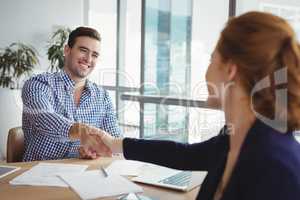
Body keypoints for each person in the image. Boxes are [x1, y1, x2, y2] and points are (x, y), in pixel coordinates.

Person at [82, 12, 300, 200]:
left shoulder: (274, 166)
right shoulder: (235, 138)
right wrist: (113, 143)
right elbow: (184, 155)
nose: (206, 72)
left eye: (211, 60)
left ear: (230, 69)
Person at [22, 26, 121, 161]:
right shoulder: (37, 84)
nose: (88, 59)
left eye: (95, 55)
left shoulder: (102, 96)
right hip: (38, 172)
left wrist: (97, 151)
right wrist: (81, 131)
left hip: (82, 174)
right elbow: (44, 118)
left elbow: (114, 139)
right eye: (83, 50)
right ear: (67, 50)